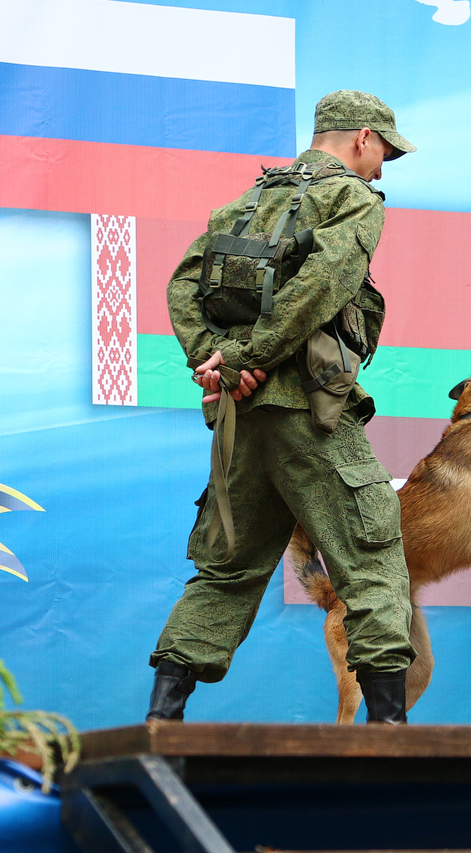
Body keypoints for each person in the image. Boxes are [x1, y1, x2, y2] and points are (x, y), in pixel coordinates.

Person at [145, 91, 418, 724]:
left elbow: (183, 284)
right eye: (384, 151)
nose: (382, 166)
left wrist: (215, 360)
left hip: (241, 419)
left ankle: (162, 718)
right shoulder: (352, 198)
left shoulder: (245, 202)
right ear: (362, 138)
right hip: (308, 412)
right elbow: (325, 284)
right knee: (372, 562)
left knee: (226, 572)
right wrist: (249, 357)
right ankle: (389, 731)